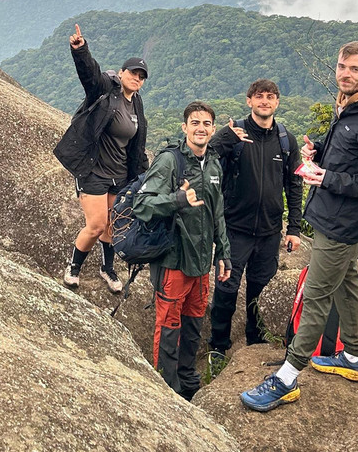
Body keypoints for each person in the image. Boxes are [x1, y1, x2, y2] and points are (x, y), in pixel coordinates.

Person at [240, 40, 358, 412]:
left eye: (355, 69)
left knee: (316, 296)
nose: (346, 73)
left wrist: (328, 178)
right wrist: (319, 153)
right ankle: (354, 358)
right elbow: (345, 155)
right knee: (349, 284)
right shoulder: (351, 108)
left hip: (342, 222)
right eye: (342, 66)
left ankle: (287, 378)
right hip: (329, 216)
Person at [133, 102, 231, 400]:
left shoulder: (213, 163)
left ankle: (188, 379)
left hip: (201, 262)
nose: (200, 128)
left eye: (206, 123)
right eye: (195, 122)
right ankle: (166, 386)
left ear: (213, 129)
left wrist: (223, 252)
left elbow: (217, 212)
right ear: (185, 127)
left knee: (193, 321)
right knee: (169, 324)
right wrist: (177, 199)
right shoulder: (170, 161)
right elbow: (142, 204)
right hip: (173, 258)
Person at [207, 80, 302, 368]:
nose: (264, 101)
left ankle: (256, 341)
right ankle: (218, 346)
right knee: (226, 289)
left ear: (277, 102)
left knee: (260, 291)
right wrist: (225, 137)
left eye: (270, 97)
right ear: (249, 101)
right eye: (259, 97)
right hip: (234, 229)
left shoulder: (286, 140)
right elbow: (203, 158)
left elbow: (294, 184)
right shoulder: (235, 134)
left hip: (270, 232)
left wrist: (294, 228)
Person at [53, 23, 149, 294]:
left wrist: (143, 176)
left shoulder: (136, 104)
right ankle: (73, 266)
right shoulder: (106, 90)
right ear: (122, 73)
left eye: (141, 76)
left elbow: (137, 145)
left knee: (111, 225)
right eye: (133, 72)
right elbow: (90, 76)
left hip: (118, 175)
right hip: (94, 171)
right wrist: (80, 50)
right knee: (95, 225)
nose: (137, 78)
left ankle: (107, 268)